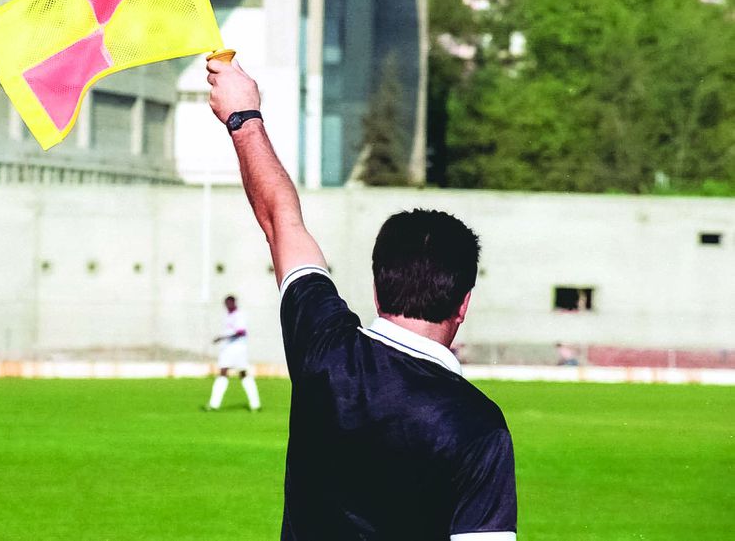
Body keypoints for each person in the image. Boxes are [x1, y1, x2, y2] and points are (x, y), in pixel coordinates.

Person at [206, 57, 517, 540]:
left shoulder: (326, 350)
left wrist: (243, 118)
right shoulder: (479, 426)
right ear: (464, 304)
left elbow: (280, 220)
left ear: (376, 289)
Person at [205, 295, 261, 411]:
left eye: (229, 303)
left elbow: (240, 332)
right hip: (228, 348)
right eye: (226, 303)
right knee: (224, 372)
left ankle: (255, 403)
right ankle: (214, 404)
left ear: (234, 302)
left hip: (238, 348)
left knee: (242, 373)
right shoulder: (227, 316)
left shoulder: (239, 315)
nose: (227, 305)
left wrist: (222, 337)